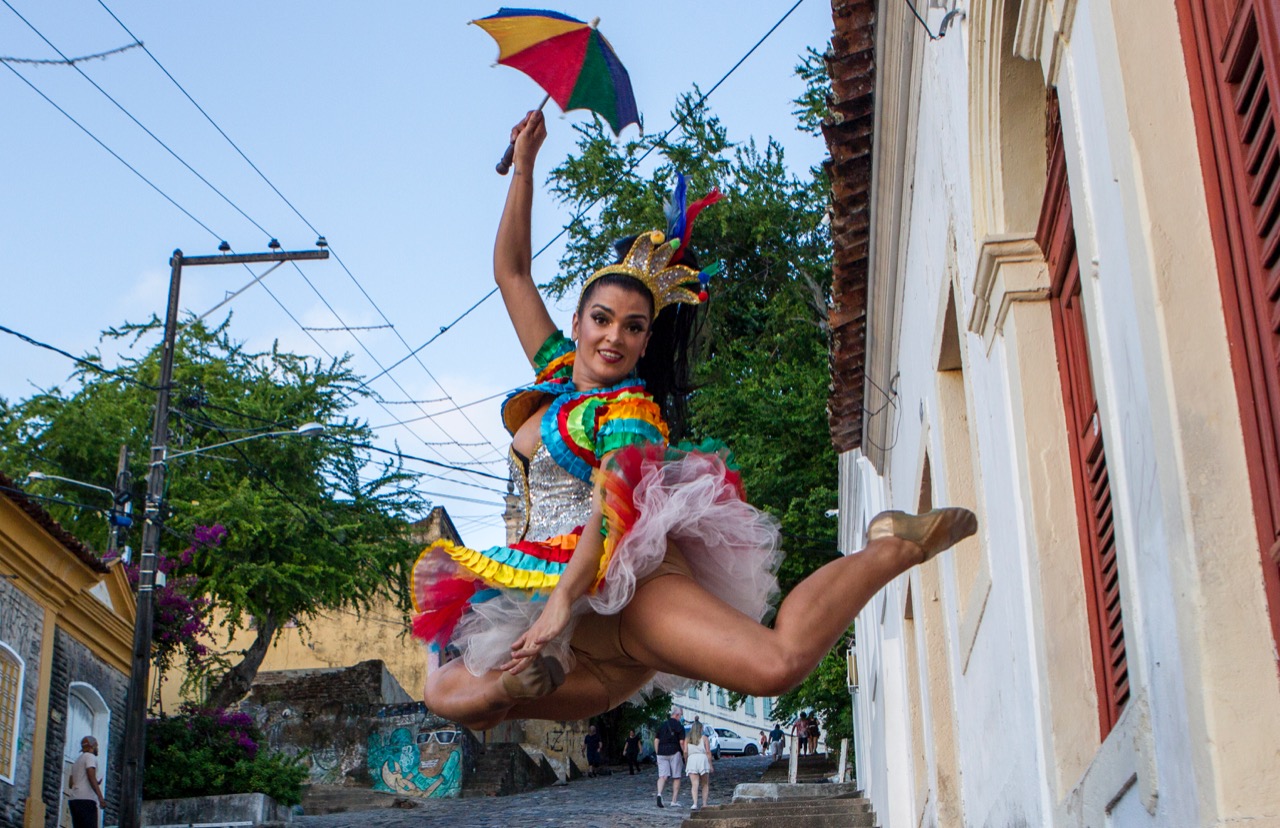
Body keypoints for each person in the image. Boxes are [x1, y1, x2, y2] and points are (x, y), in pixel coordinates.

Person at [413, 109, 979, 732]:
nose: (613, 338)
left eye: (633, 328)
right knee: (452, 693)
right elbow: (512, 272)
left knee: (777, 664)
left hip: (627, 594)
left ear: (645, 342)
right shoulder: (552, 375)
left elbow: (608, 518)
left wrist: (561, 608)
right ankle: (515, 684)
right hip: (570, 636)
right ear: (575, 325)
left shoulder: (628, 413)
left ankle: (890, 546)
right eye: (601, 319)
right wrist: (523, 167)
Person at [67, 735, 105, 828]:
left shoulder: (77, 761)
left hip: (74, 800)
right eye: (97, 746)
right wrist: (101, 798)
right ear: (92, 746)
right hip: (86, 800)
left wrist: (94, 781)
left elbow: (70, 783)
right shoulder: (90, 757)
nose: (97, 749)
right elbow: (91, 776)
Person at [653, 707, 686, 808]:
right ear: (677, 715)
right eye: (680, 716)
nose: (681, 718)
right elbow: (681, 742)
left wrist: (657, 753)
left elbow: (656, 740)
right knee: (676, 776)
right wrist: (685, 754)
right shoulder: (679, 726)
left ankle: (659, 794)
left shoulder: (662, 725)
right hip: (674, 752)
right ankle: (673, 801)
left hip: (661, 752)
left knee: (663, 776)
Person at [684, 720, 713, 811]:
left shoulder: (687, 739)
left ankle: (695, 803)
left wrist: (686, 761)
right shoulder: (704, 738)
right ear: (701, 729)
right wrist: (710, 764)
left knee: (694, 784)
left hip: (692, 759)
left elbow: (685, 751)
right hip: (702, 759)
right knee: (705, 783)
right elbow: (708, 752)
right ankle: (704, 803)